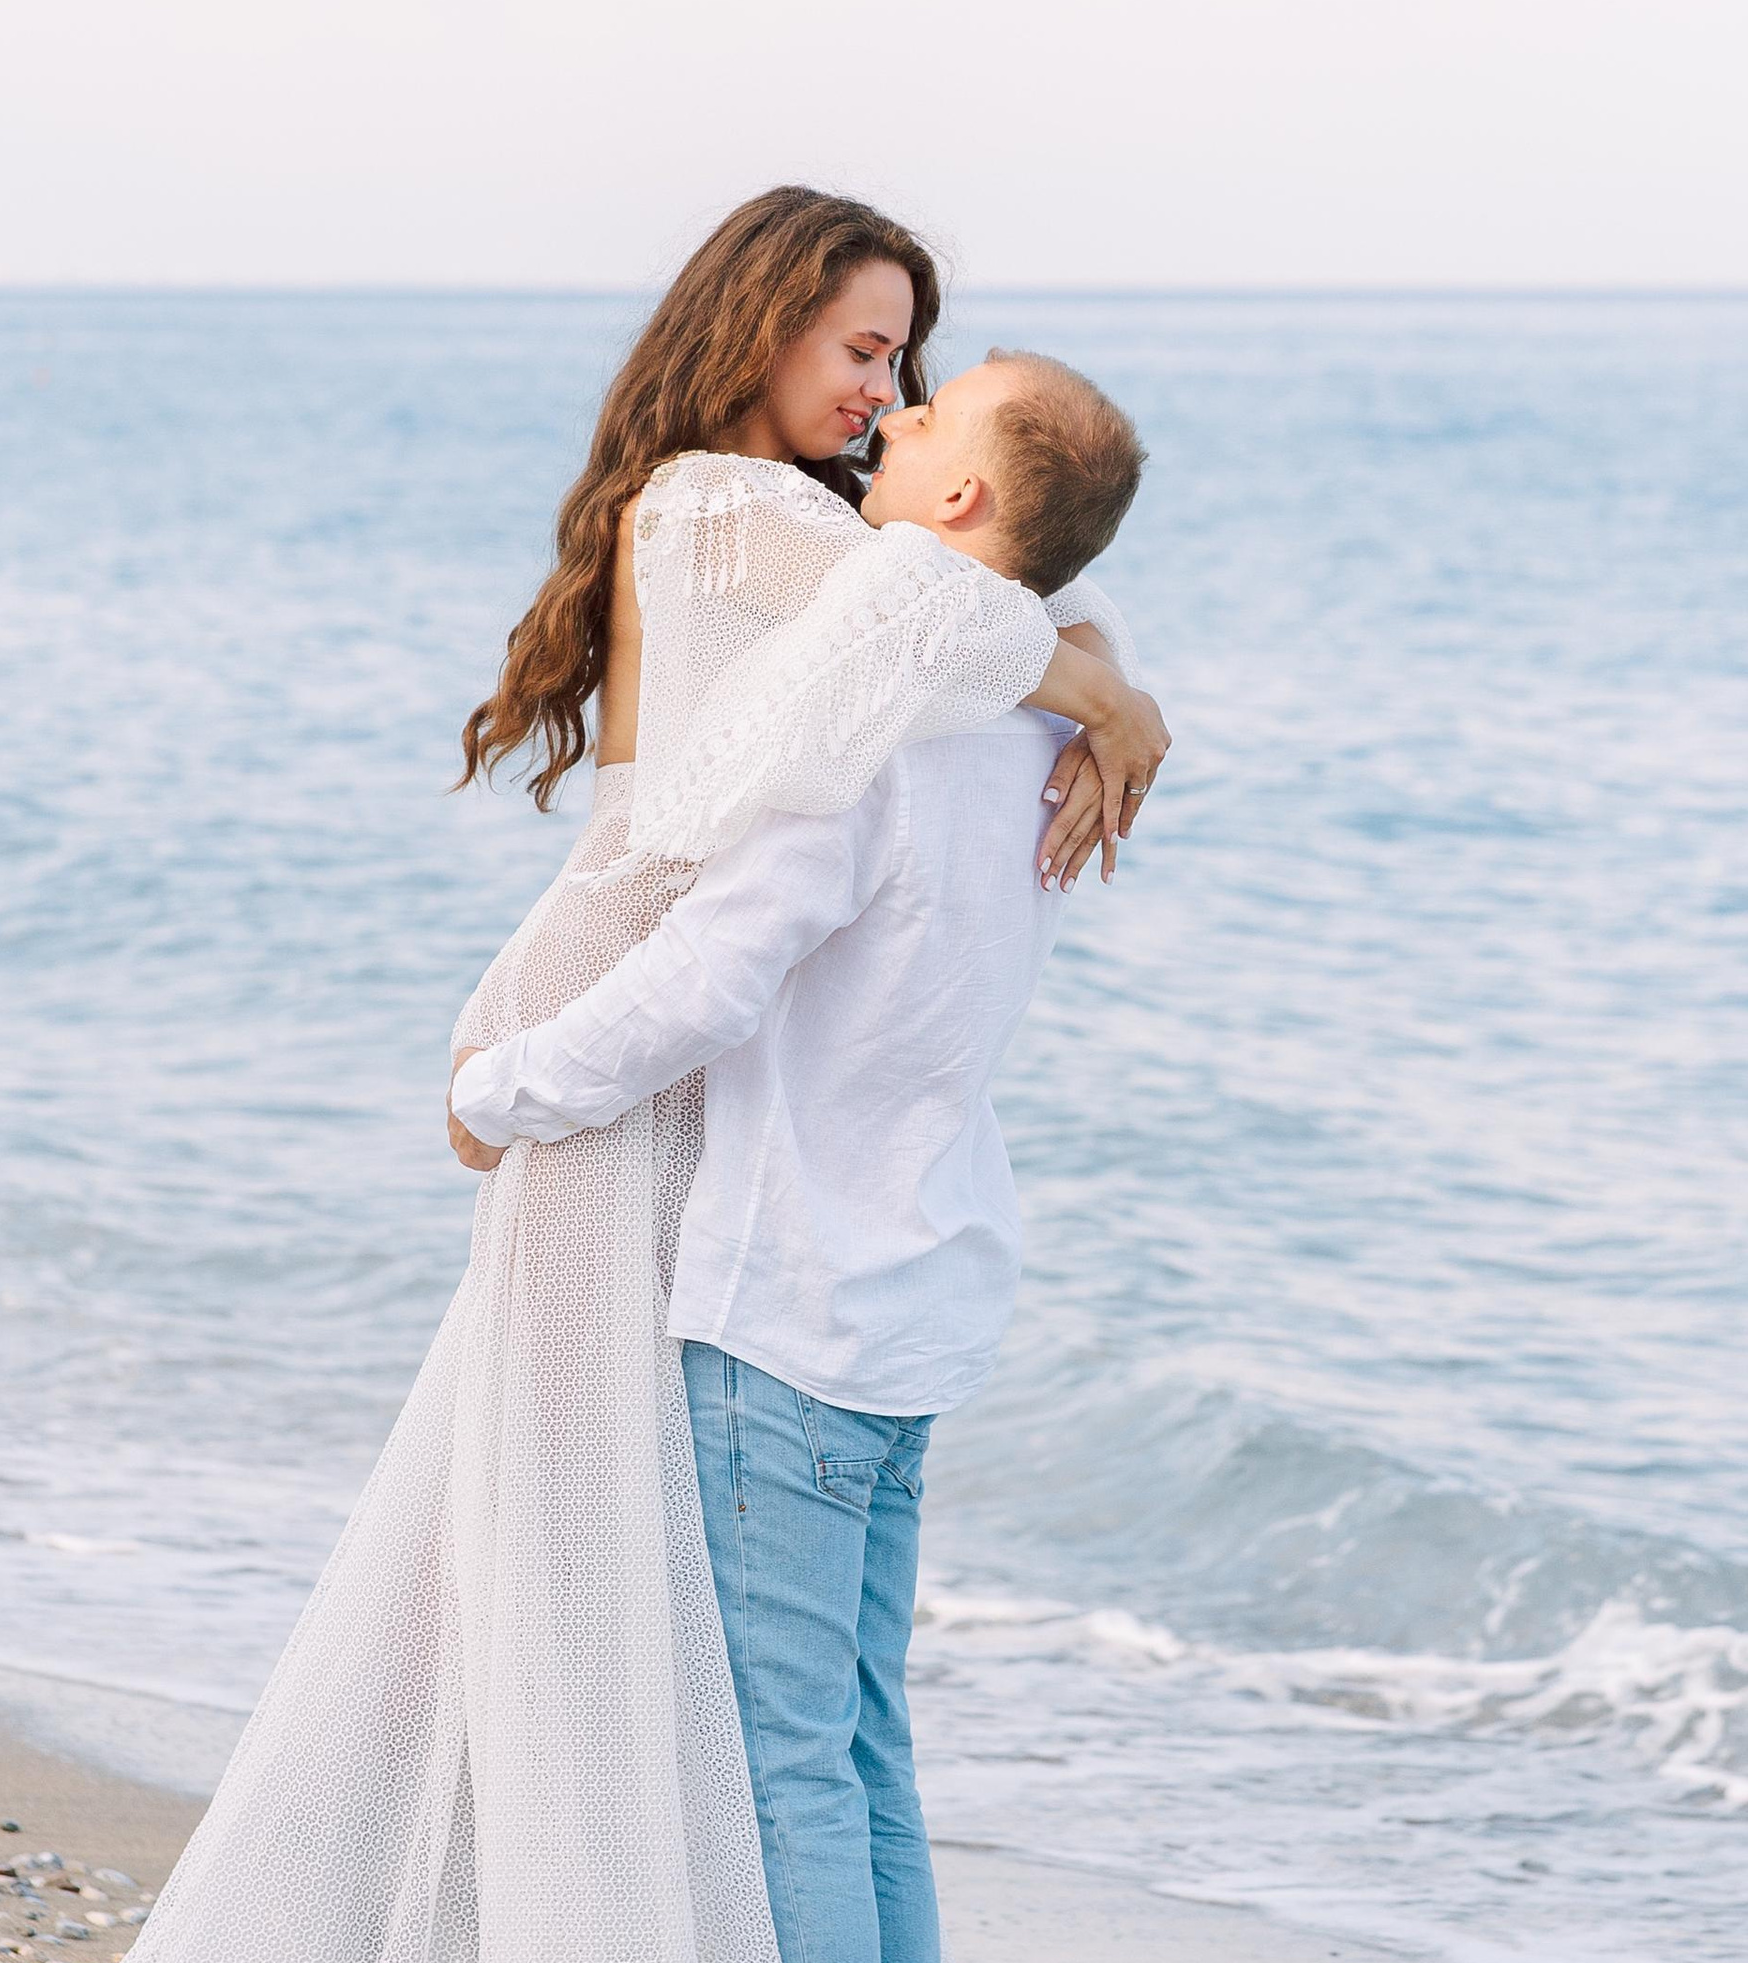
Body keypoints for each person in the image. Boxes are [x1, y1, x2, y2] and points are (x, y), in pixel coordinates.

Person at [123, 191, 1165, 1963]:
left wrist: (1095, 667)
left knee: (609, 1549)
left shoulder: (833, 559)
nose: (885, 388)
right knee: (610, 1546)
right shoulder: (723, 507)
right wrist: (1119, 691)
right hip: (621, 993)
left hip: (653, 1017)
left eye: (907, 357)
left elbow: (982, 602)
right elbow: (985, 613)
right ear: (757, 330)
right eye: (860, 348)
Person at [446, 350, 1151, 1963]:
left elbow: (710, 975)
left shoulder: (875, 728)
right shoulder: (1044, 747)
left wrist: (505, 1087)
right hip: (922, 1306)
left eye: (923, 408)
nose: (890, 414)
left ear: (956, 495)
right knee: (863, 1746)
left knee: (783, 1777)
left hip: (790, 1321)